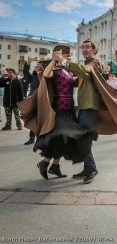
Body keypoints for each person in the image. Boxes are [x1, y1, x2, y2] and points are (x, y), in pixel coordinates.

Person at [53, 39, 117, 184]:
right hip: (84, 106)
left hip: (89, 106)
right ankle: (88, 167)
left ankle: (91, 168)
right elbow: (79, 80)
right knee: (84, 137)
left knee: (83, 137)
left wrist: (64, 62)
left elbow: (85, 72)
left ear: (94, 50)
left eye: (88, 47)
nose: (84, 49)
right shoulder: (85, 64)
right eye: (82, 47)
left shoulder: (94, 63)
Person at [21, 46, 98, 179]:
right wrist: (54, 60)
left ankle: (52, 165)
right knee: (63, 136)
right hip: (59, 108)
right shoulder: (55, 70)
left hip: (70, 108)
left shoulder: (68, 71)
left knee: (64, 139)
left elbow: (78, 80)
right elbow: (45, 75)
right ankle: (46, 163)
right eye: (65, 55)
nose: (68, 57)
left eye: (68, 55)